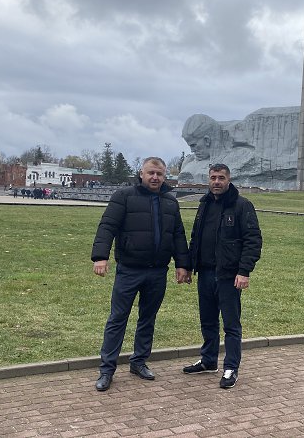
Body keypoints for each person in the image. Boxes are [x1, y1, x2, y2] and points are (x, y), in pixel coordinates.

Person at [91, 156, 191, 392]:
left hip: (157, 271)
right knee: (118, 319)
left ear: (165, 176)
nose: (155, 177)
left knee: (148, 318)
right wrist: (100, 256)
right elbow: (107, 226)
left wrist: (182, 264)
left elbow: (177, 234)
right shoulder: (124, 196)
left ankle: (139, 362)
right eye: (150, 173)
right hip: (129, 270)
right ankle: (107, 369)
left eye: (159, 174)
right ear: (141, 174)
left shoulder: (170, 202)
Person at [182, 163, 262, 389]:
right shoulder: (204, 204)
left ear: (229, 180)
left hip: (229, 275)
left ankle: (231, 367)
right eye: (213, 177)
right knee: (207, 321)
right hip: (205, 273)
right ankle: (208, 360)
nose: (216, 182)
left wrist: (244, 271)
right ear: (208, 179)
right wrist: (189, 266)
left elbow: (253, 240)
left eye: (221, 178)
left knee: (231, 325)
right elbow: (196, 237)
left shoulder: (242, 205)